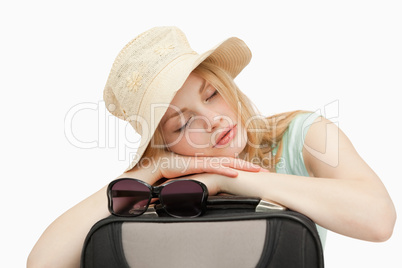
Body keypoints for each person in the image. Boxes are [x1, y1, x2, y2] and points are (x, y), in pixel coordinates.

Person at [27, 26, 396, 268]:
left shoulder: (303, 134)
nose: (213, 120)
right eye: (184, 123)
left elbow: (379, 220)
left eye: (213, 94)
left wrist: (230, 179)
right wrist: (150, 171)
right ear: (163, 144)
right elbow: (42, 263)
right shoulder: (163, 187)